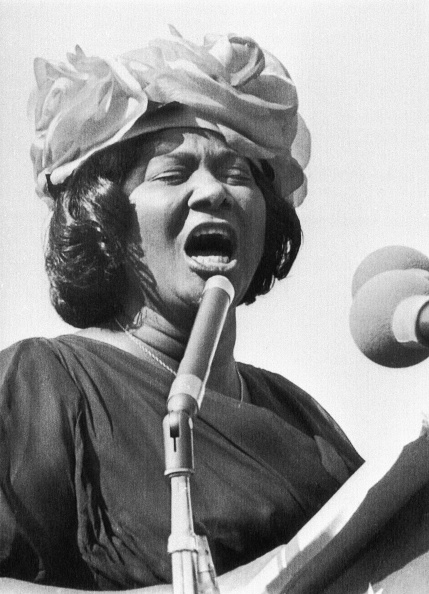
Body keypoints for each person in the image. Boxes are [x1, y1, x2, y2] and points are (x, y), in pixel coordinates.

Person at [0, 29, 363, 592]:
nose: (213, 192)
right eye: (172, 174)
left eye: (236, 174)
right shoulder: (39, 386)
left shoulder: (301, 419)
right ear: (105, 222)